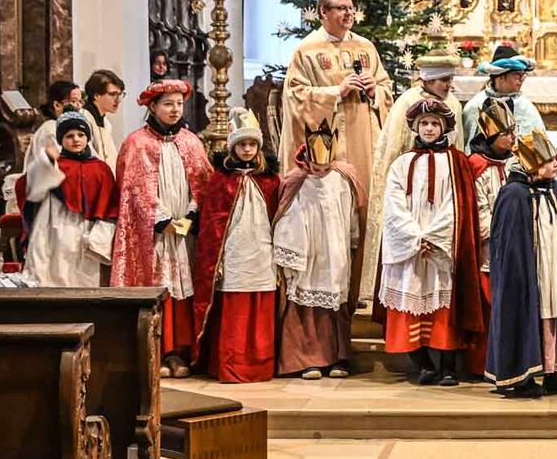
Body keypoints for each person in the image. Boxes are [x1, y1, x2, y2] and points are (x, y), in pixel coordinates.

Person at [279, 0, 393, 298]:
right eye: (341, 9)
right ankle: (334, 293)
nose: (348, 14)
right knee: (333, 221)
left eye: (351, 8)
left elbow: (386, 89)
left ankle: (363, 290)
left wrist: (374, 92)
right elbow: (295, 96)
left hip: (362, 144)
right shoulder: (307, 50)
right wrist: (335, 93)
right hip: (326, 149)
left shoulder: (366, 48)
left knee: (364, 213)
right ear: (323, 13)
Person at [111, 79, 212, 378]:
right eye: (168, 104)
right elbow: (132, 189)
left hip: (184, 231)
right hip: (155, 235)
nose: (174, 109)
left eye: (179, 104)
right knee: (162, 287)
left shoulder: (191, 142)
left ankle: (182, 352)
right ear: (153, 106)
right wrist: (161, 218)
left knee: (185, 289)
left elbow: (203, 182)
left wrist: (193, 214)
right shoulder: (136, 143)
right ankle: (159, 350)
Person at [378, 99, 483, 387]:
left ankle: (448, 366)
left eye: (434, 123)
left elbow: (458, 204)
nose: (429, 128)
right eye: (424, 123)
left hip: (441, 246)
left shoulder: (456, 161)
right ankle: (422, 364)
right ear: (415, 126)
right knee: (409, 302)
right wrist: (414, 238)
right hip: (410, 247)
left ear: (444, 127)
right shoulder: (401, 163)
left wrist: (433, 238)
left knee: (444, 307)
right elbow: (394, 203)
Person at [486, 131, 557, 398]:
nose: (555, 164)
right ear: (533, 165)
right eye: (548, 161)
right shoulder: (513, 194)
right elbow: (508, 246)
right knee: (531, 314)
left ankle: (555, 371)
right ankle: (521, 375)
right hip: (531, 273)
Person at [192, 109, 281, 383]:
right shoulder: (221, 181)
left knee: (259, 309)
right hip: (232, 253)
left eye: (252, 144)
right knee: (235, 312)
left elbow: (279, 216)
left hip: (262, 251)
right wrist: (214, 260)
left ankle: (260, 365)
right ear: (232, 146)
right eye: (242, 144)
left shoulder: (270, 181)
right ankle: (231, 365)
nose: (247, 149)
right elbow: (210, 224)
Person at [273, 119, 366, 379]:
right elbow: (286, 215)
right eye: (316, 166)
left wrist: (352, 240)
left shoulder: (343, 178)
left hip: (335, 249)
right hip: (308, 251)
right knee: (305, 301)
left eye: (324, 166)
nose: (320, 170)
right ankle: (305, 360)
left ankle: (338, 358)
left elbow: (351, 213)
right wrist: (292, 252)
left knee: (336, 301)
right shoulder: (296, 180)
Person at [366, 52, 464, 292]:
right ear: (428, 80)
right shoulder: (408, 101)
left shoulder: (453, 103)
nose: (449, 85)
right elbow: (394, 149)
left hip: (442, 185)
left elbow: (458, 144)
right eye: (443, 80)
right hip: (412, 185)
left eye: (450, 79)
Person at [20, 110, 118, 288]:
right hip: (54, 227)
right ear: (61, 140)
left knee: (84, 278)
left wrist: (101, 235)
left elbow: (110, 205)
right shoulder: (55, 165)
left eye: (81, 134)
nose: (76, 139)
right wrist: (47, 161)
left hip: (87, 231)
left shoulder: (100, 168)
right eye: (69, 135)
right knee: (53, 273)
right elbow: (31, 188)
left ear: (87, 138)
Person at [464, 99, 518, 377]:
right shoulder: (476, 165)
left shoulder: (515, 163)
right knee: (487, 304)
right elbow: (478, 207)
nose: (512, 137)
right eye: (506, 133)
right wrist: (497, 232)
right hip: (489, 248)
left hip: (514, 246)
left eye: (513, 131)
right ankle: (482, 362)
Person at [462, 44, 545, 144]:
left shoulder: (525, 106)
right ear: (500, 77)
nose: (522, 80)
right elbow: (467, 143)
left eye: (523, 75)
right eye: (517, 75)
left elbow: (540, 144)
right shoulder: (476, 105)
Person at [28, 80, 84, 162]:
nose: (79, 106)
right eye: (74, 101)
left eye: (80, 101)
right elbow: (63, 163)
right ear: (57, 105)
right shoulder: (50, 129)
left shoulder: (77, 126)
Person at [83, 68, 125, 169]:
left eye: (120, 94)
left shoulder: (106, 123)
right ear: (96, 95)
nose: (118, 100)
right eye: (112, 94)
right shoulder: (84, 120)